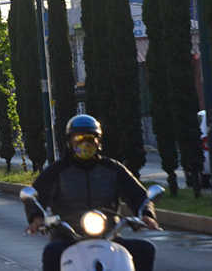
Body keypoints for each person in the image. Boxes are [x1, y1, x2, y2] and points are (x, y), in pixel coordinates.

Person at [24, 114, 159, 271]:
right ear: (69, 142)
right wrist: (37, 217)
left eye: (90, 139)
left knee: (145, 249)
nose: (85, 144)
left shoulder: (112, 168)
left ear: (98, 141)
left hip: (108, 236)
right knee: (52, 252)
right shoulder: (57, 170)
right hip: (68, 237)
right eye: (79, 139)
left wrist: (146, 213)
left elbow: (137, 194)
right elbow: (37, 194)